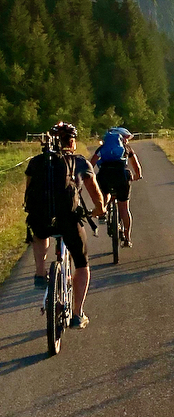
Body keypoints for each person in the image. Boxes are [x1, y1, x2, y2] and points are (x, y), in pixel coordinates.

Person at [25, 121, 105, 329]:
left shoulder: (36, 162)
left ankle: (40, 273)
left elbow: (28, 194)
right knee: (81, 263)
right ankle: (78, 314)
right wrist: (99, 210)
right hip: (69, 221)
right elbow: (95, 194)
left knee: (40, 235)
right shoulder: (80, 162)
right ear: (72, 141)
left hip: (42, 219)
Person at [90, 127, 142, 247]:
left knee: (104, 194)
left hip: (104, 177)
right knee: (124, 208)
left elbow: (91, 164)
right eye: (126, 138)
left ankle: (103, 211)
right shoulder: (126, 148)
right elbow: (137, 167)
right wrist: (137, 176)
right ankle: (127, 238)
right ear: (122, 137)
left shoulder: (103, 148)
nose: (127, 141)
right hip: (121, 178)